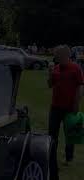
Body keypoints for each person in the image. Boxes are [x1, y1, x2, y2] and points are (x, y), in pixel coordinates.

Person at [48, 45, 84, 180]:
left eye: (58, 56)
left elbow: (80, 86)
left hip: (70, 107)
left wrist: (77, 103)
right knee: (52, 133)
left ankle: (69, 157)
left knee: (70, 134)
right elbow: (50, 84)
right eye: (56, 56)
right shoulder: (56, 68)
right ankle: (51, 156)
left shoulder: (76, 68)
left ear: (66, 56)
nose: (57, 58)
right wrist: (50, 74)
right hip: (55, 107)